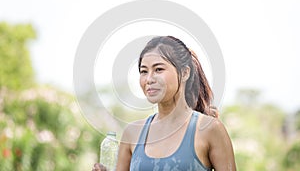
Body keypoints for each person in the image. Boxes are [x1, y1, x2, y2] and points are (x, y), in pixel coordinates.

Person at [93, 36, 236, 171]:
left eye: (158, 69)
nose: (149, 79)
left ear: (185, 73)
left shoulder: (210, 129)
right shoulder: (132, 133)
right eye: (144, 71)